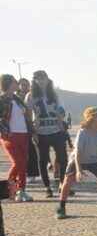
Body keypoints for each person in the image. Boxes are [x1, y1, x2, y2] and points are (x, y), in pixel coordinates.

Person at [55, 107, 97, 219]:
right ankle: (61, 207)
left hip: (92, 161)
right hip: (77, 160)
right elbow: (77, 153)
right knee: (67, 181)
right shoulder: (82, 132)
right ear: (90, 118)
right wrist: (78, 170)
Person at [26, 70, 69, 198]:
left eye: (43, 78)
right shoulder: (30, 95)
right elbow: (28, 115)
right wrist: (33, 131)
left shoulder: (53, 94)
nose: (41, 81)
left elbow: (62, 109)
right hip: (41, 133)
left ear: (47, 79)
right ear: (34, 81)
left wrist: (60, 116)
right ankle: (47, 187)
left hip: (56, 131)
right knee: (43, 160)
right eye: (37, 79)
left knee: (63, 159)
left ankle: (62, 184)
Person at [0, 74, 35, 202]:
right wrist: (4, 132)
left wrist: (32, 131)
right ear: (9, 83)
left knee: (23, 164)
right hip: (10, 136)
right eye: (15, 82)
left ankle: (19, 191)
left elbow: (26, 116)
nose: (17, 84)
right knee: (18, 163)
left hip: (23, 134)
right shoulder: (2, 100)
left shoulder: (18, 99)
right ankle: (12, 190)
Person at [18, 78, 40, 185]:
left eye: (26, 85)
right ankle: (22, 174)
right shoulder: (15, 97)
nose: (24, 87)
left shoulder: (32, 96)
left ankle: (32, 174)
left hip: (29, 125)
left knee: (31, 150)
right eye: (22, 85)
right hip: (18, 127)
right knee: (20, 152)